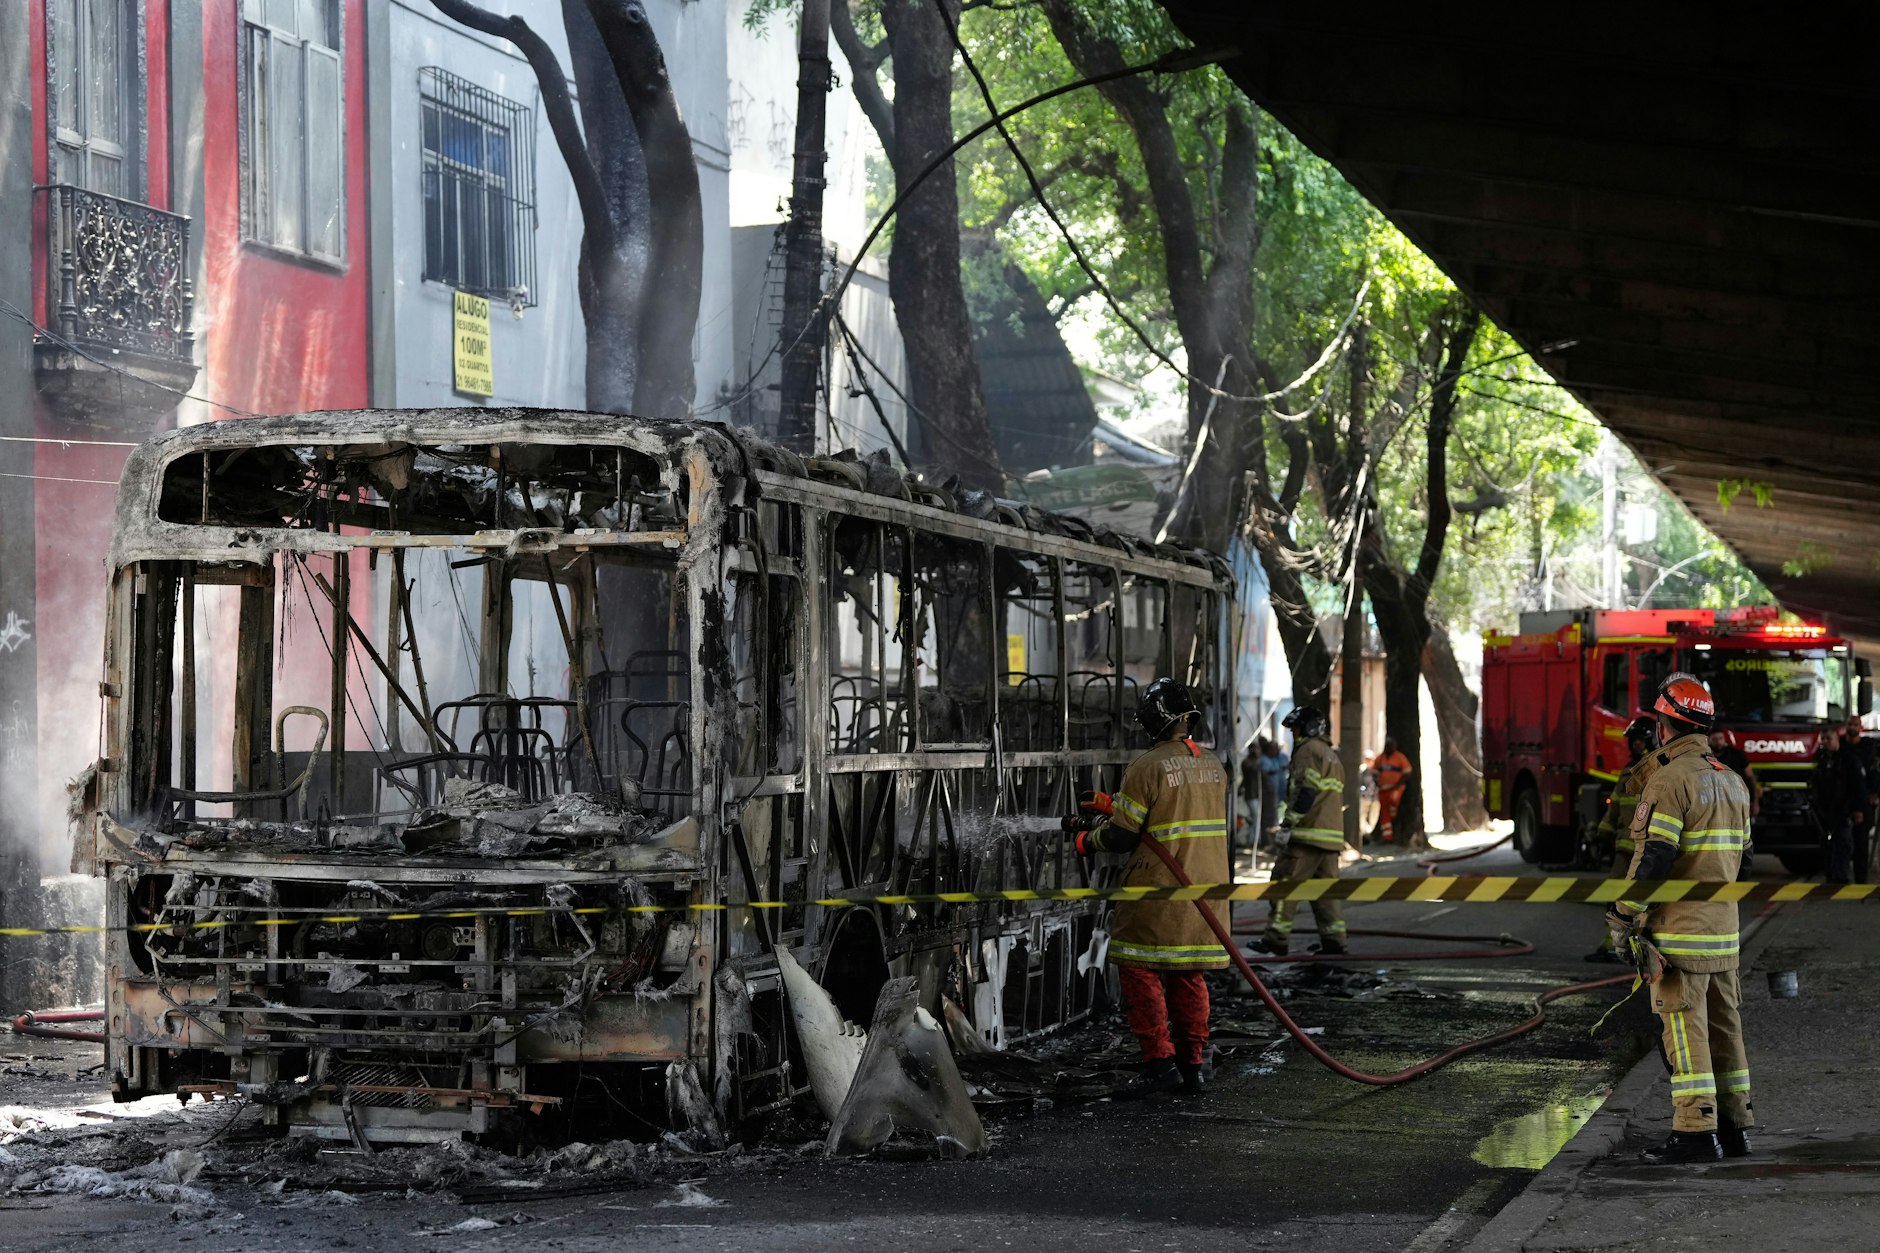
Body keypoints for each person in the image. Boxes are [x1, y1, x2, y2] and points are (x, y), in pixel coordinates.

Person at [1606, 673, 1754, 1164]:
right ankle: (1735, 1129)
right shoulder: (1732, 780)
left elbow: (1655, 860)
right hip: (1724, 933)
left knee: (1685, 1034)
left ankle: (1694, 1132)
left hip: (1680, 936)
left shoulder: (1669, 781)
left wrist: (1624, 913)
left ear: (1665, 727)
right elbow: (1745, 861)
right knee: (1725, 1032)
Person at [1066, 679, 1229, 1096]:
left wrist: (1089, 839)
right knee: (1188, 975)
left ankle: (1159, 1063)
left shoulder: (1147, 766)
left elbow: (1124, 838)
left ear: (1153, 721)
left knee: (1139, 969)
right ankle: (1193, 1066)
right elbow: (1172, 813)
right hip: (1205, 893)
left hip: (1158, 890)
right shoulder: (1213, 764)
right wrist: (1112, 805)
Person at [1257, 705, 1348, 956]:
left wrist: (1288, 824)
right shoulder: (1331, 755)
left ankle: (1276, 938)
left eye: (1296, 728)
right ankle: (1335, 941)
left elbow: (1306, 791)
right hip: (1330, 838)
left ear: (1308, 728)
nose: (1293, 734)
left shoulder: (1308, 751)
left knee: (1284, 884)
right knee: (1327, 894)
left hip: (1307, 835)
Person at [1585, 716, 1657, 963]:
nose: (1635, 745)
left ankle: (1642, 947)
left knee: (1644, 900)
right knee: (1614, 895)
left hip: (1647, 850)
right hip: (1624, 849)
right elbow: (1615, 807)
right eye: (1633, 741)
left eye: (1639, 741)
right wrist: (1602, 832)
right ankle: (1612, 945)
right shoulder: (1627, 772)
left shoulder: (1659, 771)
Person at [1810, 726, 1866, 883]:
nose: (1825, 742)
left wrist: (1858, 809)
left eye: (1829, 738)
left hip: (1843, 810)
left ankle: (1841, 880)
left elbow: (1858, 786)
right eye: (1823, 739)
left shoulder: (1848, 759)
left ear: (1836, 738)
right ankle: (1831, 877)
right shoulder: (1822, 758)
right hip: (1825, 811)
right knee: (1827, 846)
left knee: (1843, 844)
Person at [1708, 728, 1761, 878]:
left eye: (1720, 738)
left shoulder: (1737, 756)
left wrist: (1755, 802)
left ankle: (1741, 870)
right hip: (1715, 804)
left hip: (1737, 804)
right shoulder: (1705, 757)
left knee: (1743, 838)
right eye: (1714, 739)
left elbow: (1751, 778)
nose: (1718, 742)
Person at [1842, 718, 1877, 883]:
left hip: (1864, 801)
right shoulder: (1841, 747)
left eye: (1855, 725)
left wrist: (1874, 793)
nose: (1852, 728)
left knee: (1861, 843)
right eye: (1850, 724)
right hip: (1843, 801)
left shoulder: (1869, 747)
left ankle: (1860, 881)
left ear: (1861, 727)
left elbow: (1874, 773)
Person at [1369, 738, 1414, 843]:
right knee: (1385, 813)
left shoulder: (1400, 757)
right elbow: (1374, 771)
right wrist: (1377, 782)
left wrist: (1397, 784)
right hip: (1383, 790)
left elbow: (1407, 772)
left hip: (1396, 789)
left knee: (1393, 802)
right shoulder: (1380, 758)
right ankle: (1387, 837)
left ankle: (1394, 815)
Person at [1259, 735, 1291, 845]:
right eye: (1273, 749)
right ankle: (1266, 841)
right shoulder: (1264, 760)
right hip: (1269, 793)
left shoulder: (1279, 758)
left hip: (1279, 792)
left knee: (1278, 815)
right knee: (1269, 817)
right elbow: (1265, 774)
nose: (1276, 751)